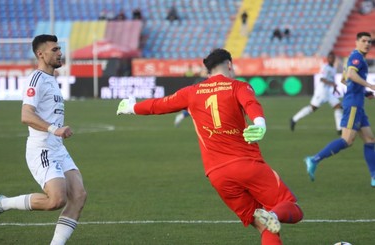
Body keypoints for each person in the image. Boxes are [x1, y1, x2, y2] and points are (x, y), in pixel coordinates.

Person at [117, 48, 303, 244]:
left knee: (263, 226)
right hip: (246, 164)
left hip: (218, 175)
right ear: (230, 65)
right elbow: (251, 104)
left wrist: (131, 108)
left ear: (208, 70)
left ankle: (270, 217)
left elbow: (159, 105)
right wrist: (260, 123)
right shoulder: (238, 86)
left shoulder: (191, 92)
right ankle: (273, 214)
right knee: (291, 208)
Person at [0, 34, 87, 245]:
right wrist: (53, 129)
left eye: (59, 49)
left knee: (79, 195)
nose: (60, 53)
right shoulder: (36, 79)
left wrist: (56, 133)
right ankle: (3, 203)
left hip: (57, 148)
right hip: (42, 149)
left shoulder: (52, 80)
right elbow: (26, 115)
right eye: (54, 50)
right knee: (56, 200)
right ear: (41, 54)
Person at [304, 32, 375, 186]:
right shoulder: (357, 57)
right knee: (347, 140)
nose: (367, 44)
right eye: (364, 41)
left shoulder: (353, 57)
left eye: (369, 42)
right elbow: (350, 75)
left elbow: (344, 79)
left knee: (370, 139)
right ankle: (314, 159)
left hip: (358, 103)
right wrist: (369, 85)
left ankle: (374, 177)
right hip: (353, 105)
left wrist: (364, 92)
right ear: (357, 42)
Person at [290, 52, 343, 134]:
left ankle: (339, 129)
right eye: (329, 58)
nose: (331, 59)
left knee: (338, 106)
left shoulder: (333, 68)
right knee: (312, 108)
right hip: (321, 92)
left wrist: (334, 88)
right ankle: (294, 119)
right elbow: (322, 79)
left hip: (328, 92)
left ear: (334, 59)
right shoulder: (325, 67)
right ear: (328, 58)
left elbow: (331, 80)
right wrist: (332, 84)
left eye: (332, 58)